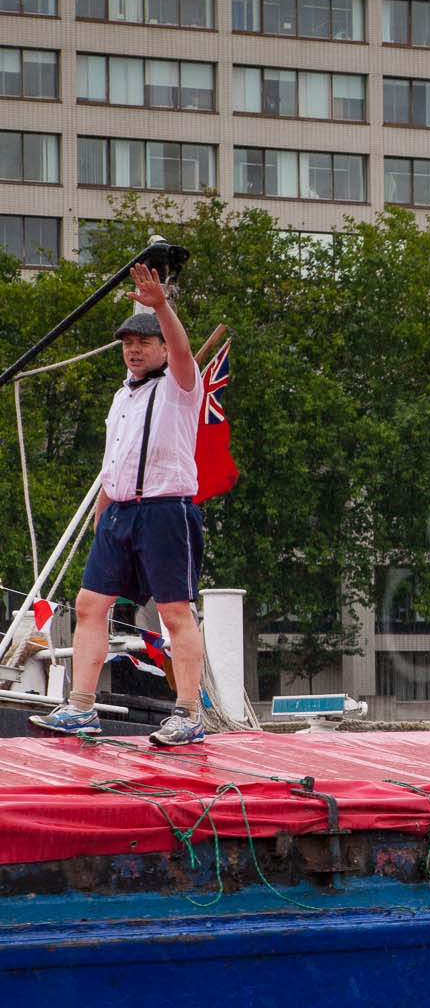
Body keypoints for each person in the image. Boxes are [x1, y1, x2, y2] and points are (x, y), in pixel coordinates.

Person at [33, 266, 210, 745]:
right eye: (128, 343)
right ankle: (81, 708)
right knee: (91, 605)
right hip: (119, 513)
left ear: (159, 349)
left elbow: (181, 350)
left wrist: (160, 307)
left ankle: (189, 713)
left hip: (164, 510)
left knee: (175, 612)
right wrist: (102, 513)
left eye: (143, 343)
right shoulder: (121, 397)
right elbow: (117, 457)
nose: (134, 350)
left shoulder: (180, 387)